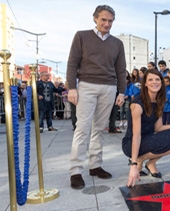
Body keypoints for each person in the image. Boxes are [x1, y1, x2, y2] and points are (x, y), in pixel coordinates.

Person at [66, 5, 126, 189]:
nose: (107, 24)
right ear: (95, 18)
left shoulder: (117, 43)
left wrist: (122, 91)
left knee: (99, 129)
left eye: (110, 21)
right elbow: (72, 63)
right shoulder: (81, 36)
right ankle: (76, 170)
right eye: (103, 20)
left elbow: (121, 69)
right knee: (82, 128)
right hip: (87, 86)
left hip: (109, 87)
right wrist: (72, 88)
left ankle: (95, 165)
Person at [122, 69, 170, 187]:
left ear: (161, 83)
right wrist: (134, 165)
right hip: (131, 143)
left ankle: (151, 163)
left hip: (148, 138)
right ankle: (138, 161)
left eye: (157, 79)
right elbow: (136, 135)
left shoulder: (159, 101)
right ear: (145, 83)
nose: (154, 82)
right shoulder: (137, 104)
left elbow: (158, 127)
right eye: (150, 79)